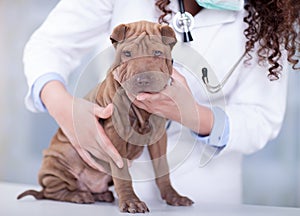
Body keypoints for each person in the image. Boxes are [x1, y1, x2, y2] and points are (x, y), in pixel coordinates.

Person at [23, 0, 299, 204]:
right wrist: (64, 107)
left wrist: (194, 115)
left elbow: (263, 119)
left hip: (207, 195)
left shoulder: (265, 18)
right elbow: (48, 46)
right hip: (105, 196)